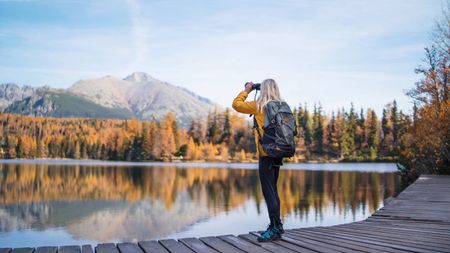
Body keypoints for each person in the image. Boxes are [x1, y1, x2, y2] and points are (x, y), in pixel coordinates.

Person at [232, 79, 285, 242]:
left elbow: (236, 104)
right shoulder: (282, 106)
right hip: (279, 152)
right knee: (273, 190)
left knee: (269, 192)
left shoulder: (260, 105)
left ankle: (275, 228)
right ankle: (276, 225)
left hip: (266, 154)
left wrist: (247, 90)